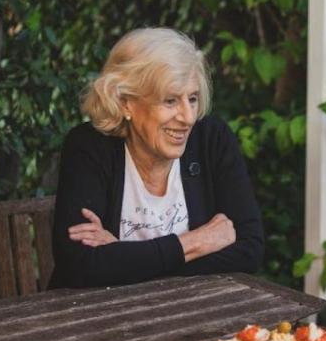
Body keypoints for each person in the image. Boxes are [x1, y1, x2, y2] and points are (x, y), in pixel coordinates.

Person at [50, 28, 264, 288]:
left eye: (193, 99)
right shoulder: (90, 147)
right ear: (126, 102)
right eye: (171, 100)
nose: (187, 117)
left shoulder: (212, 140)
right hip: (95, 317)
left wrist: (123, 258)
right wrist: (197, 242)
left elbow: (249, 250)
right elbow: (80, 265)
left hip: (190, 313)